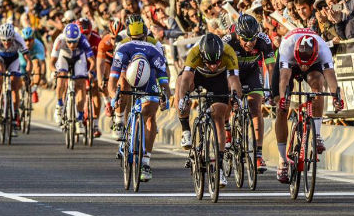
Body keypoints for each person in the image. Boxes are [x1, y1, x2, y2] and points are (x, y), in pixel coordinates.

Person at [272, 28, 343, 183]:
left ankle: (317, 135)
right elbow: (284, 79)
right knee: (281, 108)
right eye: (301, 64)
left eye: (306, 65)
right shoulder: (287, 47)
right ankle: (282, 160)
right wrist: (283, 98)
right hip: (290, 64)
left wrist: (337, 97)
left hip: (313, 62)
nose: (303, 67)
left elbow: (331, 77)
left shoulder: (323, 49)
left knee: (318, 83)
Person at [174, 33, 242, 188]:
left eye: (216, 62)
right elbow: (186, 79)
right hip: (198, 76)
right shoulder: (195, 51)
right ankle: (185, 129)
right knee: (180, 83)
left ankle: (219, 167)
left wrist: (235, 97)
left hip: (219, 79)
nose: (213, 65)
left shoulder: (228, 52)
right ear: (202, 55)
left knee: (219, 113)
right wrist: (184, 98)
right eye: (209, 62)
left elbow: (234, 80)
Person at [108, 19, 171, 182]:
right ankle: (145, 162)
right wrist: (165, 95)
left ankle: (119, 122)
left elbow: (112, 78)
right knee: (150, 116)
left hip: (136, 77)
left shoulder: (123, 47)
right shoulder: (154, 48)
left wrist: (112, 97)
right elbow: (164, 78)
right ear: (145, 36)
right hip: (141, 77)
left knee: (121, 85)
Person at [223, 15, 275, 173]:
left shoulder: (264, 40)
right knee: (228, 100)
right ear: (238, 35)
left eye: (252, 39)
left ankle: (258, 154)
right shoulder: (227, 41)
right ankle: (227, 129)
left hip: (252, 72)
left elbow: (272, 68)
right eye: (245, 39)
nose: (250, 43)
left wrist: (272, 90)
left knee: (255, 107)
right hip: (233, 72)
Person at [50, 23, 96, 135]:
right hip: (64, 57)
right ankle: (59, 105)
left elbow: (92, 61)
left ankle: (79, 119)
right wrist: (54, 72)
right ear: (65, 38)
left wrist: (91, 72)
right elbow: (51, 63)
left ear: (78, 38)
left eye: (74, 41)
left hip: (78, 58)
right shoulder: (59, 40)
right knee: (61, 76)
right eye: (69, 41)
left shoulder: (83, 40)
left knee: (81, 84)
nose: (71, 44)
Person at [0, 23, 32, 137]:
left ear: (13, 37)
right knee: (0, 73)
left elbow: (28, 59)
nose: (6, 43)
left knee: (15, 85)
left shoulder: (18, 39)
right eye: (4, 40)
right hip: (0, 58)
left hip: (13, 59)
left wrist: (28, 72)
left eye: (9, 40)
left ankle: (15, 113)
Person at [75, 18, 102, 138]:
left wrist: (95, 74)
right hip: (79, 62)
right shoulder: (73, 39)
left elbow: (100, 61)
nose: (85, 37)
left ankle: (95, 124)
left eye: (88, 34)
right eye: (83, 35)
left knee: (95, 89)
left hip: (93, 62)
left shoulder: (97, 40)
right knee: (78, 87)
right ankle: (75, 115)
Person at [97, 18, 124, 118]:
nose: (115, 41)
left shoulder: (126, 40)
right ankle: (107, 102)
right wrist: (100, 81)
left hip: (121, 58)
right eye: (113, 38)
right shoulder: (104, 42)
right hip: (109, 58)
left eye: (118, 38)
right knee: (105, 74)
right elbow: (100, 64)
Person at [19, 27, 46, 101]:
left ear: (34, 39)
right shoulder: (19, 44)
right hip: (22, 61)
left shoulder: (39, 45)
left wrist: (43, 76)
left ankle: (34, 89)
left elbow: (43, 63)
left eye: (30, 40)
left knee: (37, 64)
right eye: (25, 40)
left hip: (33, 60)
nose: (27, 42)